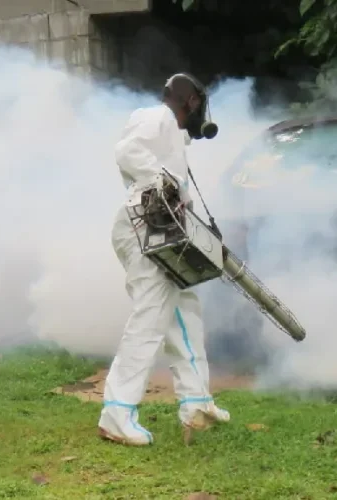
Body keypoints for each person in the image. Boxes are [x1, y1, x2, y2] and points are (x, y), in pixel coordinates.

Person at [98, 73, 230, 446]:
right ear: (188, 101)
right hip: (143, 227)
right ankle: (117, 413)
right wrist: (166, 182)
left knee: (184, 310)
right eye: (197, 103)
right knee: (151, 316)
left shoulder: (172, 132)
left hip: (156, 228)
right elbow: (126, 152)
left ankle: (197, 402)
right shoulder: (156, 117)